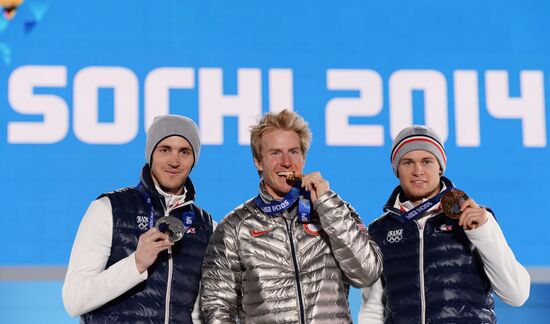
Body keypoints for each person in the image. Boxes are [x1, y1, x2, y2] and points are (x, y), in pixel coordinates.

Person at [200, 109, 383, 324]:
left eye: (293, 152)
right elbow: (216, 306)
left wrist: (327, 206)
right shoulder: (234, 227)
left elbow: (367, 273)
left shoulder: (335, 211)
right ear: (258, 162)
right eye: (275, 153)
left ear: (303, 157)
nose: (286, 162)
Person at [359, 125, 530, 324]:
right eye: (407, 162)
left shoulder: (477, 219)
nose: (418, 171)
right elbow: (373, 308)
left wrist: (483, 233)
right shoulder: (380, 230)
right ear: (396, 169)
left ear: (440, 166)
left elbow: (517, 294)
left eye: (427, 161)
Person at [63, 115, 214, 324]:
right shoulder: (108, 209)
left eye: (184, 152)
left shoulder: (206, 226)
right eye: (165, 149)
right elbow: (74, 300)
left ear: (194, 159)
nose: (174, 161)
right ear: (151, 154)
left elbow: (201, 312)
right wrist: (136, 264)